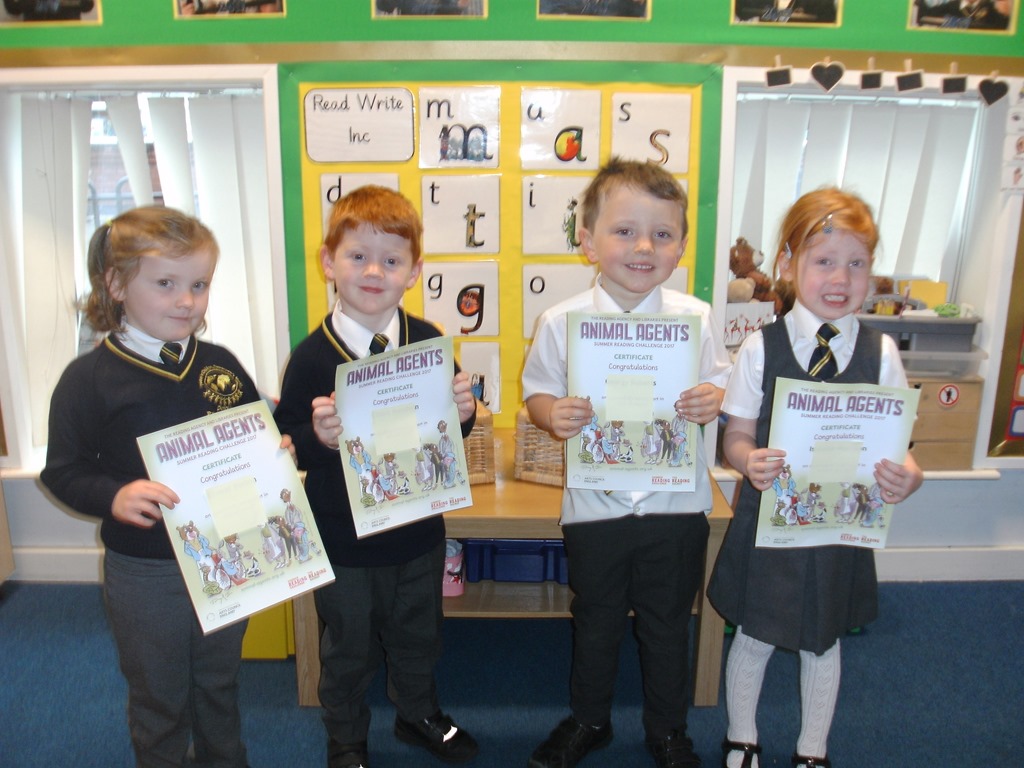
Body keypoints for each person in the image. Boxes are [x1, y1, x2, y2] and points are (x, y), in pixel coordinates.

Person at [40, 206, 272, 767]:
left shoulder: (220, 364)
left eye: (199, 284)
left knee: (219, 680)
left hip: (226, 554)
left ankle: (225, 759)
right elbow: (63, 470)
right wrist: (114, 496)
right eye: (165, 284)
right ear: (116, 285)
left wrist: (274, 451)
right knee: (158, 692)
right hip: (146, 570)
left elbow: (256, 438)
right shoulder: (87, 379)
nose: (187, 300)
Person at [521, 158, 732, 768]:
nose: (644, 247)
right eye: (625, 231)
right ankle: (589, 720)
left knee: (667, 624)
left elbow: (721, 386)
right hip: (596, 507)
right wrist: (552, 414)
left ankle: (668, 730)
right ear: (588, 242)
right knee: (596, 621)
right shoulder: (560, 322)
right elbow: (537, 394)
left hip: (676, 506)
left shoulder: (696, 318)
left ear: (681, 247)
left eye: (662, 234)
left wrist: (712, 399)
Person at [707, 188, 925, 768]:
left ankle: (812, 749)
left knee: (822, 643)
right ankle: (742, 738)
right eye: (824, 260)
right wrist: (747, 460)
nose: (840, 278)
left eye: (856, 263)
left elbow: (900, 447)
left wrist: (910, 476)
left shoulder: (882, 353)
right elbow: (736, 435)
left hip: (837, 531)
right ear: (787, 264)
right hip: (770, 524)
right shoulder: (760, 348)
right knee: (754, 635)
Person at [273, 185, 479, 768]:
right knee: (348, 646)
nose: (373, 271)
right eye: (358, 256)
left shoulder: (429, 341)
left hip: (418, 531)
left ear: (413, 272)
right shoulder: (311, 357)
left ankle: (417, 714)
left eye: (391, 260)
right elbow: (289, 443)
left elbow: (448, 433)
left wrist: (463, 415)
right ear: (328, 262)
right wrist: (318, 438)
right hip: (345, 539)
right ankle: (346, 735)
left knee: (419, 634)